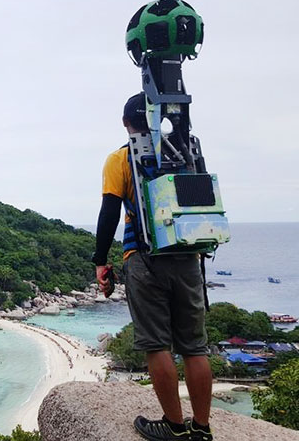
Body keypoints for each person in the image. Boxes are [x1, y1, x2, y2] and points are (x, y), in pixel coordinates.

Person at [93, 92, 213, 441]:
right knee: (195, 346)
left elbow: (109, 214)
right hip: (188, 258)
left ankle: (175, 427)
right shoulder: (185, 153)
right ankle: (201, 428)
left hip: (144, 260)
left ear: (125, 123)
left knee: (157, 345)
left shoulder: (120, 159)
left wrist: (101, 261)